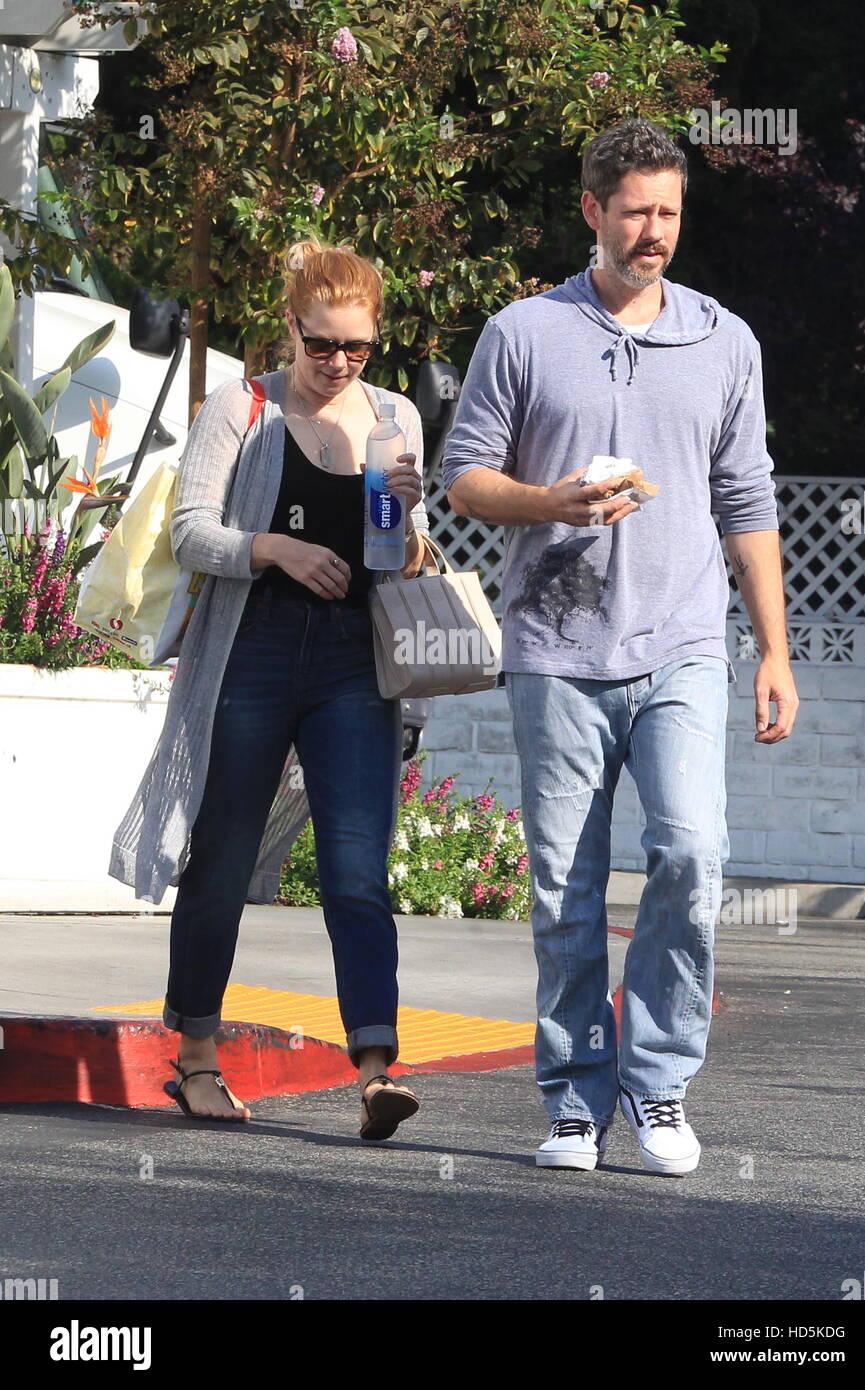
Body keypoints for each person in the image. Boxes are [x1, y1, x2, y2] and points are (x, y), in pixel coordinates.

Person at [442, 118, 799, 1175]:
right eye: (636, 211)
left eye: (670, 213)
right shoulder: (522, 333)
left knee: (691, 852)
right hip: (554, 647)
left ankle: (657, 1085)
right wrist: (545, 499)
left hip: (684, 641)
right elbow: (464, 474)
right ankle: (569, 1096)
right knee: (564, 884)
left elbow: (748, 499)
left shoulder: (724, 340)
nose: (655, 232)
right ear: (591, 210)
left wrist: (773, 651)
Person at [111, 237, 428, 1139]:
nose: (336, 364)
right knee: (222, 854)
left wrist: (406, 515)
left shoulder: (392, 414)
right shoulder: (241, 406)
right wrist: (273, 548)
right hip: (251, 645)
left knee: (356, 867)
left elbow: (408, 558)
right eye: (321, 344)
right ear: (291, 328)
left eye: (355, 349)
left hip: (352, 660)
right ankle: (199, 1058)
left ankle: (374, 1068)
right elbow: (190, 533)